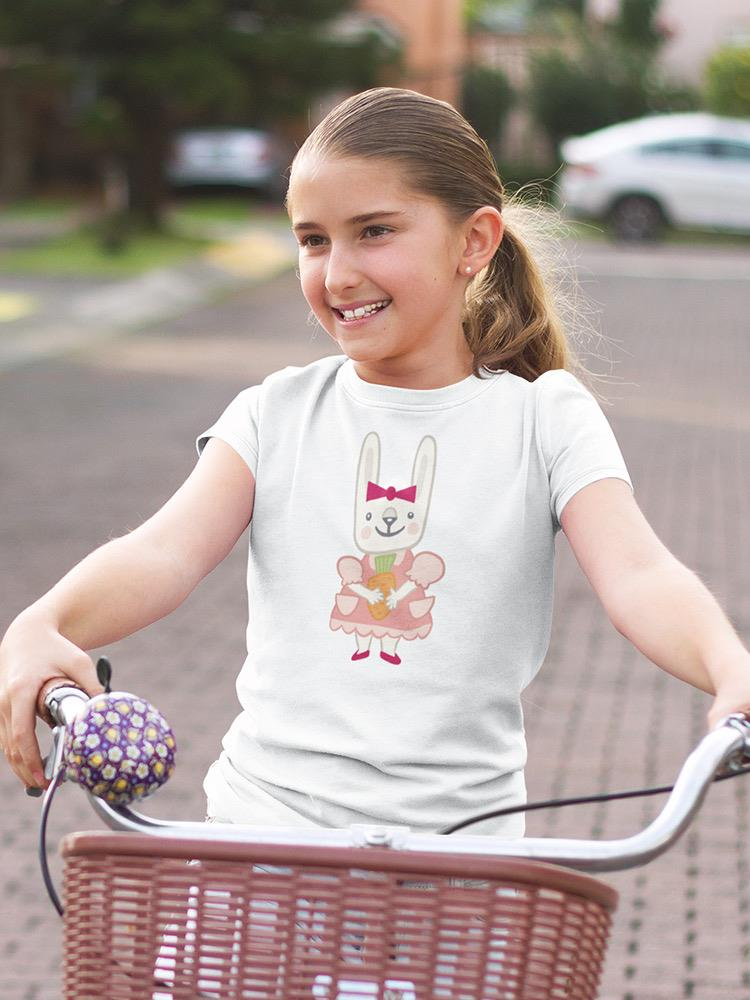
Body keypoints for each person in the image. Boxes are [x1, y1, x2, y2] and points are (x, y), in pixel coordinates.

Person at [1, 88, 749, 837]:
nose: (338, 274)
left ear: (475, 241)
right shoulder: (276, 412)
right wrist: (45, 622)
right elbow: (160, 553)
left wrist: (728, 668)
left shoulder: (543, 418)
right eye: (313, 240)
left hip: (460, 859)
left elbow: (639, 575)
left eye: (375, 232)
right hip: (257, 833)